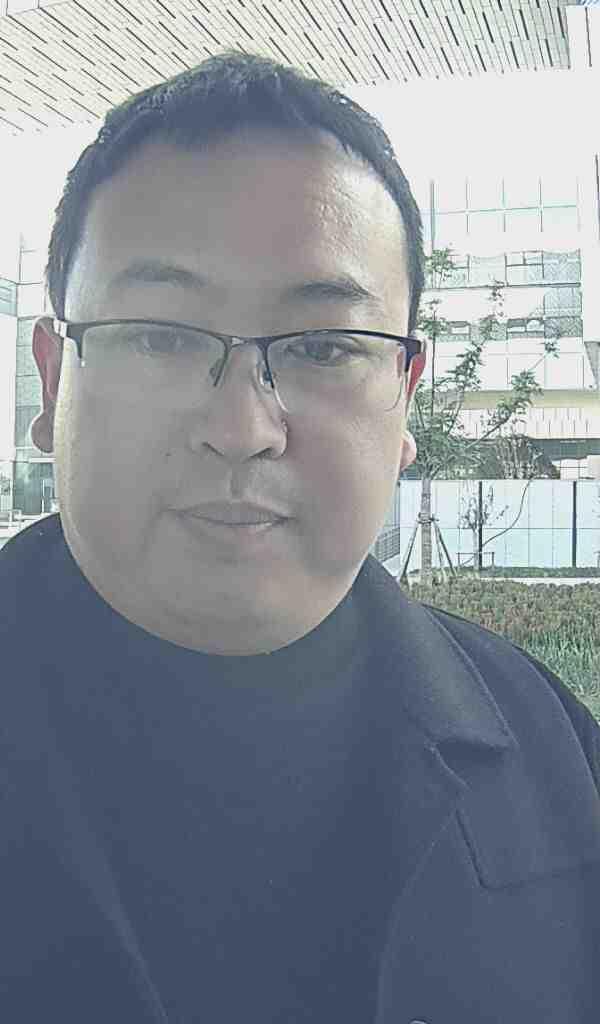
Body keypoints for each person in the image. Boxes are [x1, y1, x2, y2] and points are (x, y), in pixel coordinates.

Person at [1, 52, 599, 1024]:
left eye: (324, 347)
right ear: (54, 377)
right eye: (160, 335)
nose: (241, 428)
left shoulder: (556, 754)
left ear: (405, 397)